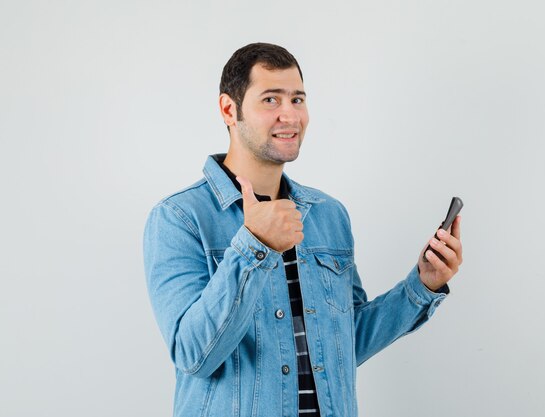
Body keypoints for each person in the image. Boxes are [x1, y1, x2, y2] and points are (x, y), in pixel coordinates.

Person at [143, 42, 463, 417]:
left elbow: (346, 342)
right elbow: (193, 355)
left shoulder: (327, 215)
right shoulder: (179, 218)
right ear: (229, 109)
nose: (289, 116)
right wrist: (255, 247)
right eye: (271, 100)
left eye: (297, 99)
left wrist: (421, 286)